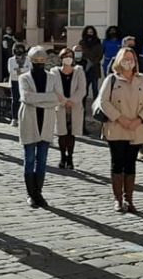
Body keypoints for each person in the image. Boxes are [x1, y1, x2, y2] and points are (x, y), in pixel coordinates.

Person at [96, 47, 143, 213]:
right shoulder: (111, 80)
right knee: (117, 163)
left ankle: (129, 199)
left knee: (131, 164)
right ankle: (118, 199)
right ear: (119, 61)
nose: (128, 62)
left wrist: (140, 119)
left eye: (131, 59)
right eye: (125, 58)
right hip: (116, 127)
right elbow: (103, 102)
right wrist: (120, 118)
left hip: (136, 127)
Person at [18, 46, 61, 208]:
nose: (39, 64)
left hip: (47, 121)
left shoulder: (52, 77)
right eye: (36, 61)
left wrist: (41, 99)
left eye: (42, 61)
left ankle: (39, 193)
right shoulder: (24, 78)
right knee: (29, 159)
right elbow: (26, 97)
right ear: (31, 62)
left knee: (42, 160)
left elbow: (57, 98)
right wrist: (46, 99)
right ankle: (31, 194)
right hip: (30, 120)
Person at [52, 47, 86, 169]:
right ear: (61, 58)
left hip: (74, 107)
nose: (68, 58)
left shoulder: (79, 71)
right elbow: (53, 89)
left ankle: (70, 157)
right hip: (60, 107)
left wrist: (72, 101)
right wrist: (63, 101)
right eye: (65, 56)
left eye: (70, 56)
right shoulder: (54, 72)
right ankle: (62, 157)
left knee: (71, 134)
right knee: (62, 134)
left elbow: (82, 89)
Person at [6, 42, 29, 127]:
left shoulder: (27, 60)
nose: (19, 51)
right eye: (17, 49)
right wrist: (21, 70)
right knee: (15, 100)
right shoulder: (11, 60)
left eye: (20, 49)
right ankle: (14, 118)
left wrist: (19, 70)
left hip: (25, 81)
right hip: (14, 81)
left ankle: (24, 118)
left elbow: (29, 70)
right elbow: (11, 71)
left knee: (25, 100)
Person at [79, 26, 103, 98]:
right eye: (88, 32)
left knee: (95, 88)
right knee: (84, 89)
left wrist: (93, 62)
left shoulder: (97, 42)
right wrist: (86, 61)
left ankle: (96, 106)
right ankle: (83, 107)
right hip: (85, 68)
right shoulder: (82, 42)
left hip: (95, 68)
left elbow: (100, 55)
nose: (90, 34)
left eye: (91, 32)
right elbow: (80, 54)